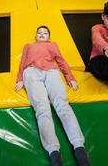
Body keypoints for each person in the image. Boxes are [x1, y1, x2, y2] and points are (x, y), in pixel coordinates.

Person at [15, 26, 91, 166]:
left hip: (51, 72)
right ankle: (53, 152)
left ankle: (79, 148)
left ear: (49, 37)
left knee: (62, 105)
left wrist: (70, 78)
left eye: (45, 33)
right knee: (42, 108)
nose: (42, 34)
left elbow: (61, 60)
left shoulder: (52, 45)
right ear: (35, 36)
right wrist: (20, 79)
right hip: (31, 72)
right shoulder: (29, 46)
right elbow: (22, 63)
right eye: (39, 33)